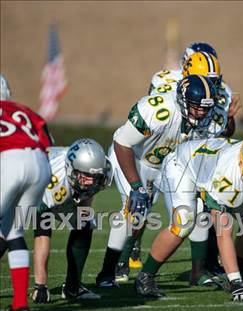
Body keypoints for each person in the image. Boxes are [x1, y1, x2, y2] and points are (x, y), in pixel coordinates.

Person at [95, 74, 219, 288]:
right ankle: (109, 271)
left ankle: (198, 272)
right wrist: (136, 187)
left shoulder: (211, 121)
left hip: (168, 164)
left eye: (205, 108)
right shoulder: (160, 109)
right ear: (182, 100)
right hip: (133, 156)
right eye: (195, 106)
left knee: (197, 208)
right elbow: (122, 143)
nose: (200, 113)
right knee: (134, 211)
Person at [134, 134, 243, 302]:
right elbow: (223, 234)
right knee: (184, 223)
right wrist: (236, 283)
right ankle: (145, 276)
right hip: (183, 166)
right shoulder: (227, 174)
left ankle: (237, 277)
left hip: (213, 167)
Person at [31, 138, 113, 303]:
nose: (91, 182)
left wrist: (83, 214)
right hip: (29, 181)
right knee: (8, 234)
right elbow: (41, 234)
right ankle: (40, 286)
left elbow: (87, 196)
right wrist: (41, 286)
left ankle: (72, 287)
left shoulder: (97, 169)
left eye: (95, 177)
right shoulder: (56, 182)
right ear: (71, 169)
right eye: (85, 177)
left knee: (85, 224)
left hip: (56, 182)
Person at [0, 74, 53, 311]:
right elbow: (47, 142)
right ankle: (20, 303)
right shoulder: (24, 110)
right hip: (40, 165)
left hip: (10, 161)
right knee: (14, 231)